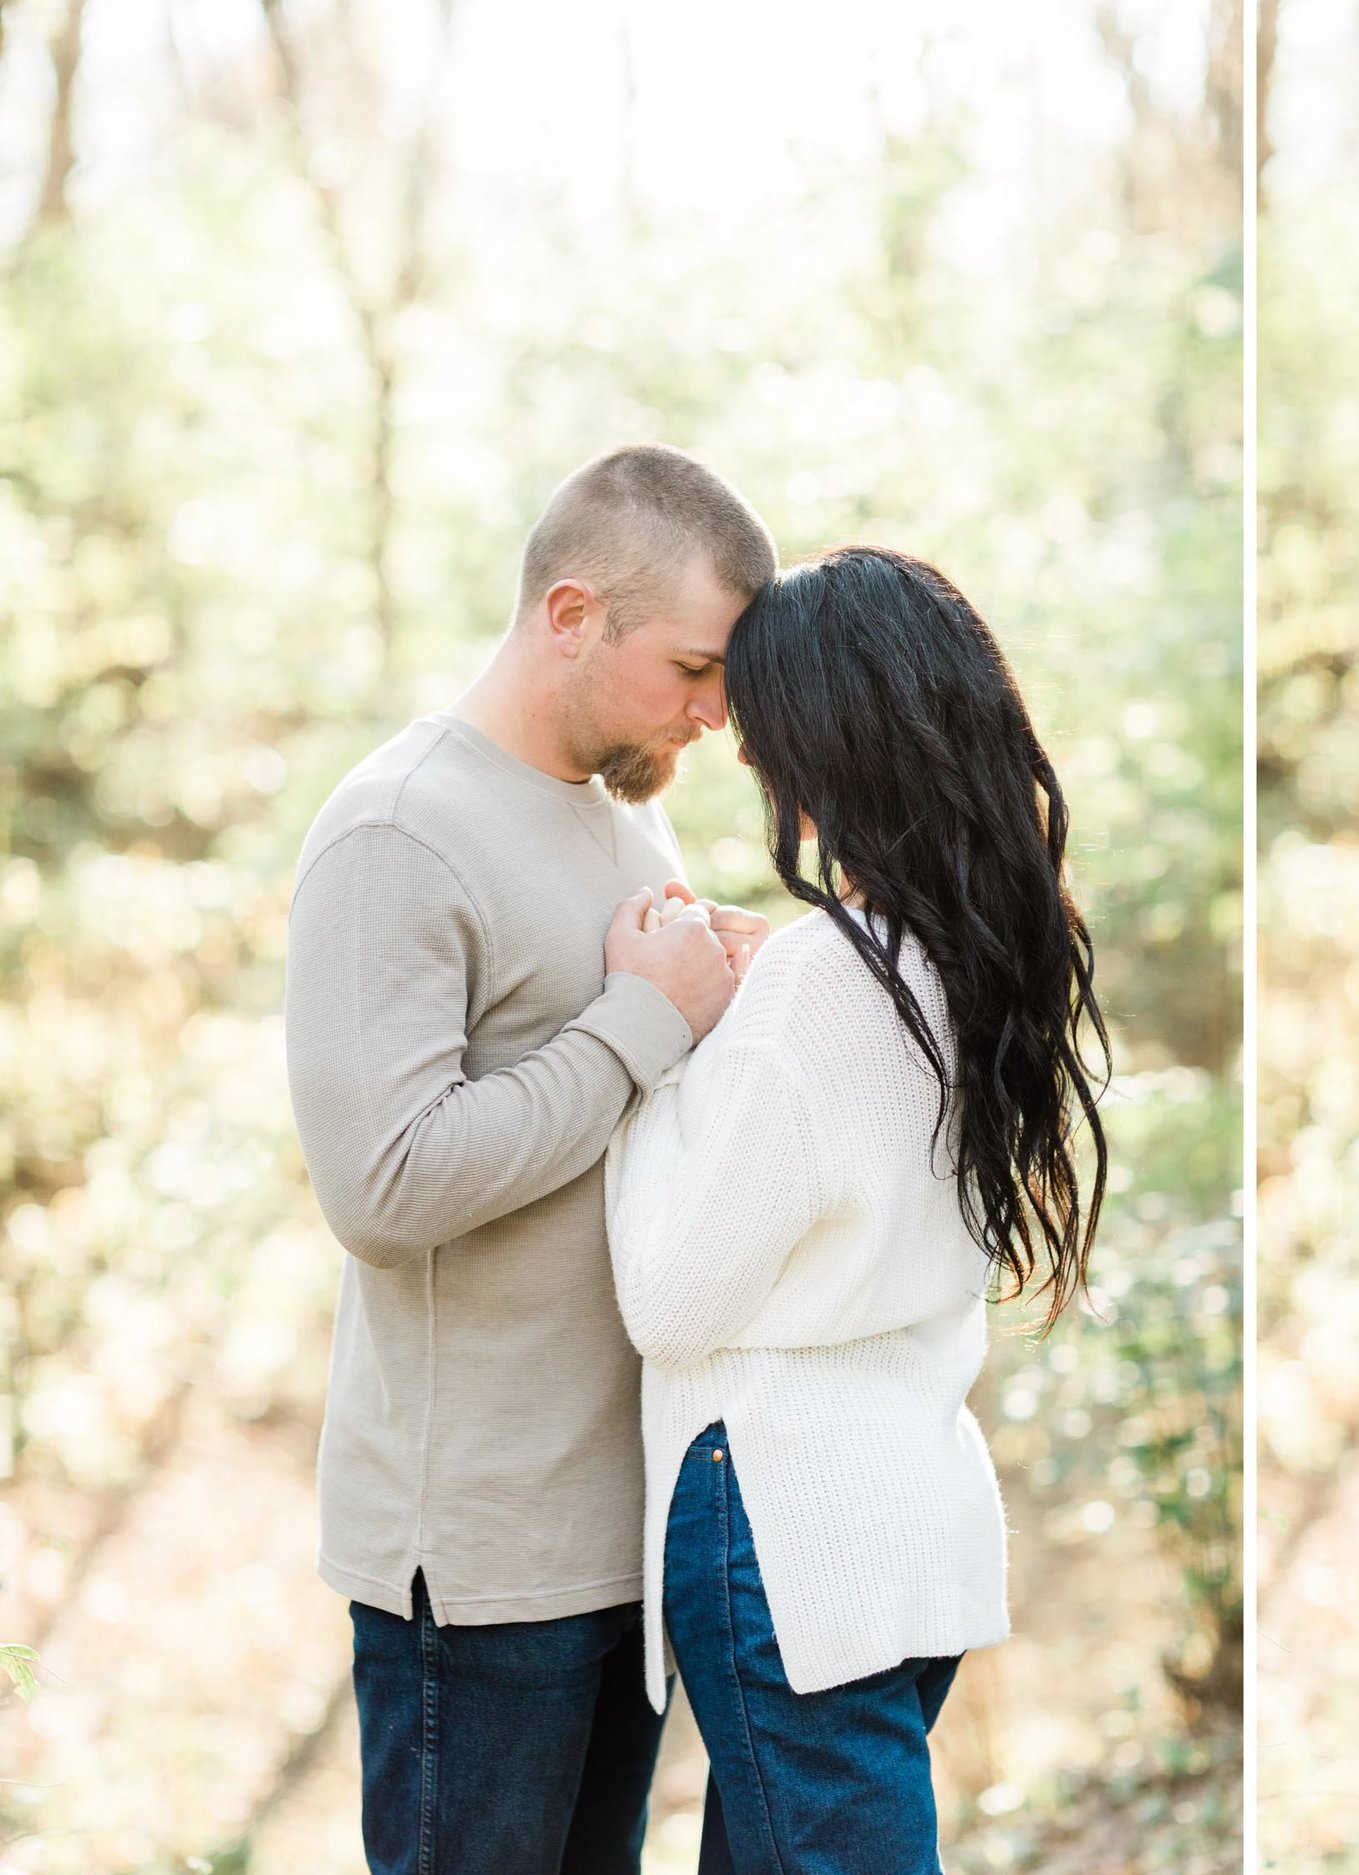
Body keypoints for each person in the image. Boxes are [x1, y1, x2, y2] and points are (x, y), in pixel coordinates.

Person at [284, 444, 779, 1872]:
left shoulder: (629, 807)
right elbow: (381, 1190)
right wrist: (640, 1021)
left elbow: (633, 1082)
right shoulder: (397, 831)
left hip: (623, 1535)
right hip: (482, 1564)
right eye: (693, 668)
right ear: (573, 616)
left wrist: (725, 992)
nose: (714, 711)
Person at [603, 545, 1110, 1873]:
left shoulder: (822, 984)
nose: (757, 769)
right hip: (905, 1514)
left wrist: (660, 1038)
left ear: (828, 747)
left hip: (781, 1520)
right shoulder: (985, 946)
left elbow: (669, 1302)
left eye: (765, 745)